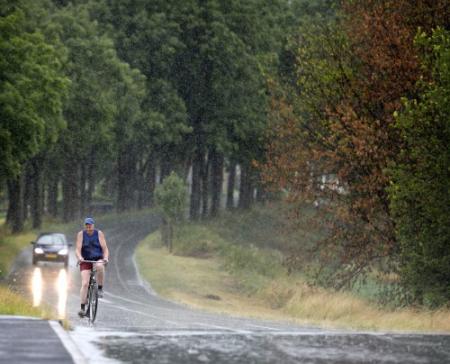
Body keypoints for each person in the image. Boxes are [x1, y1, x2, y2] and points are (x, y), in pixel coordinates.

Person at [75, 217, 109, 317]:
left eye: (90, 225)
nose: (88, 227)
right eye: (86, 225)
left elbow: (105, 249)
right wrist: (80, 257)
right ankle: (82, 308)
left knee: (100, 266)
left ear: (93, 225)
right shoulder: (81, 234)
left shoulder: (99, 234)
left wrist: (105, 258)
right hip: (85, 260)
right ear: (85, 226)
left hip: (97, 258)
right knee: (85, 283)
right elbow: (77, 249)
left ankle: (100, 288)